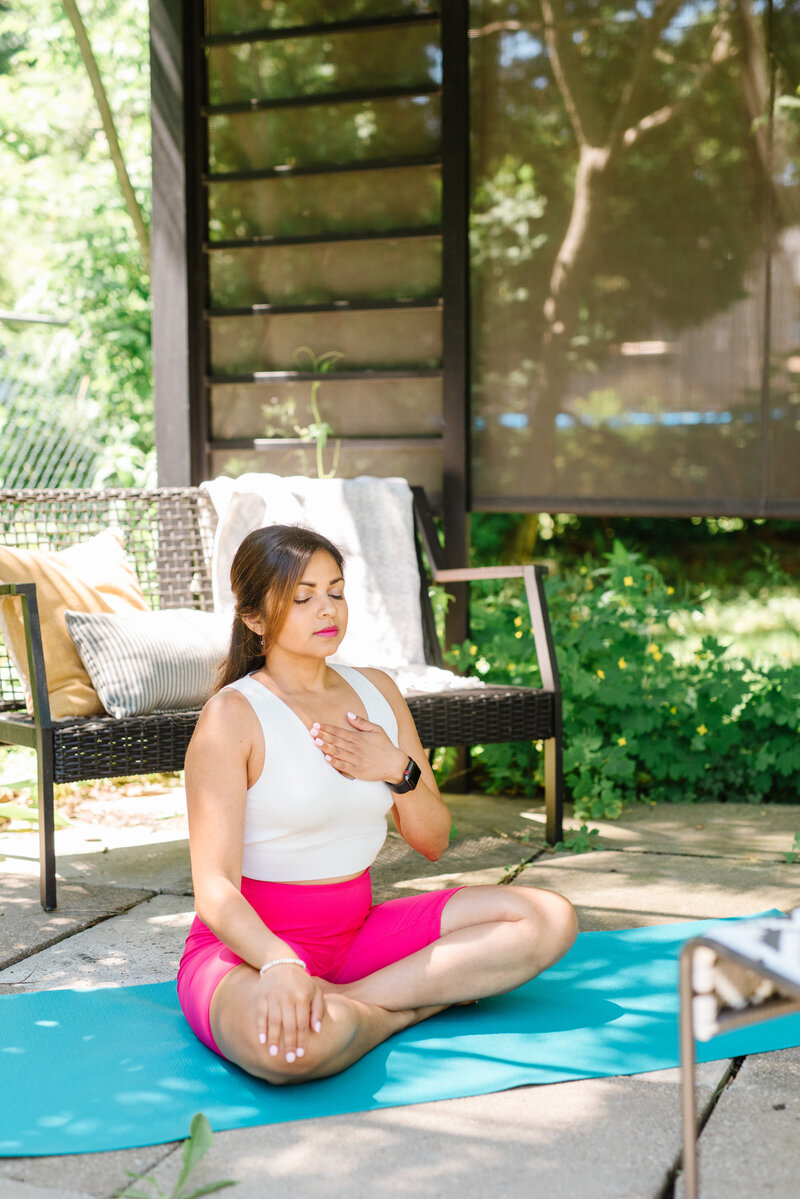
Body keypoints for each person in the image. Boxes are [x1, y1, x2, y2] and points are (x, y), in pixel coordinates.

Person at [178, 524, 577, 1084]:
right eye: (303, 597)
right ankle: (410, 1007)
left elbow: (434, 842)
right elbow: (214, 890)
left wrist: (397, 770)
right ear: (253, 618)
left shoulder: (377, 692)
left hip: (357, 934)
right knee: (286, 1055)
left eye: (336, 592)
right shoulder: (232, 716)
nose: (327, 609)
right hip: (250, 948)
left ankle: (353, 1005)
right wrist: (278, 962)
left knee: (548, 917)